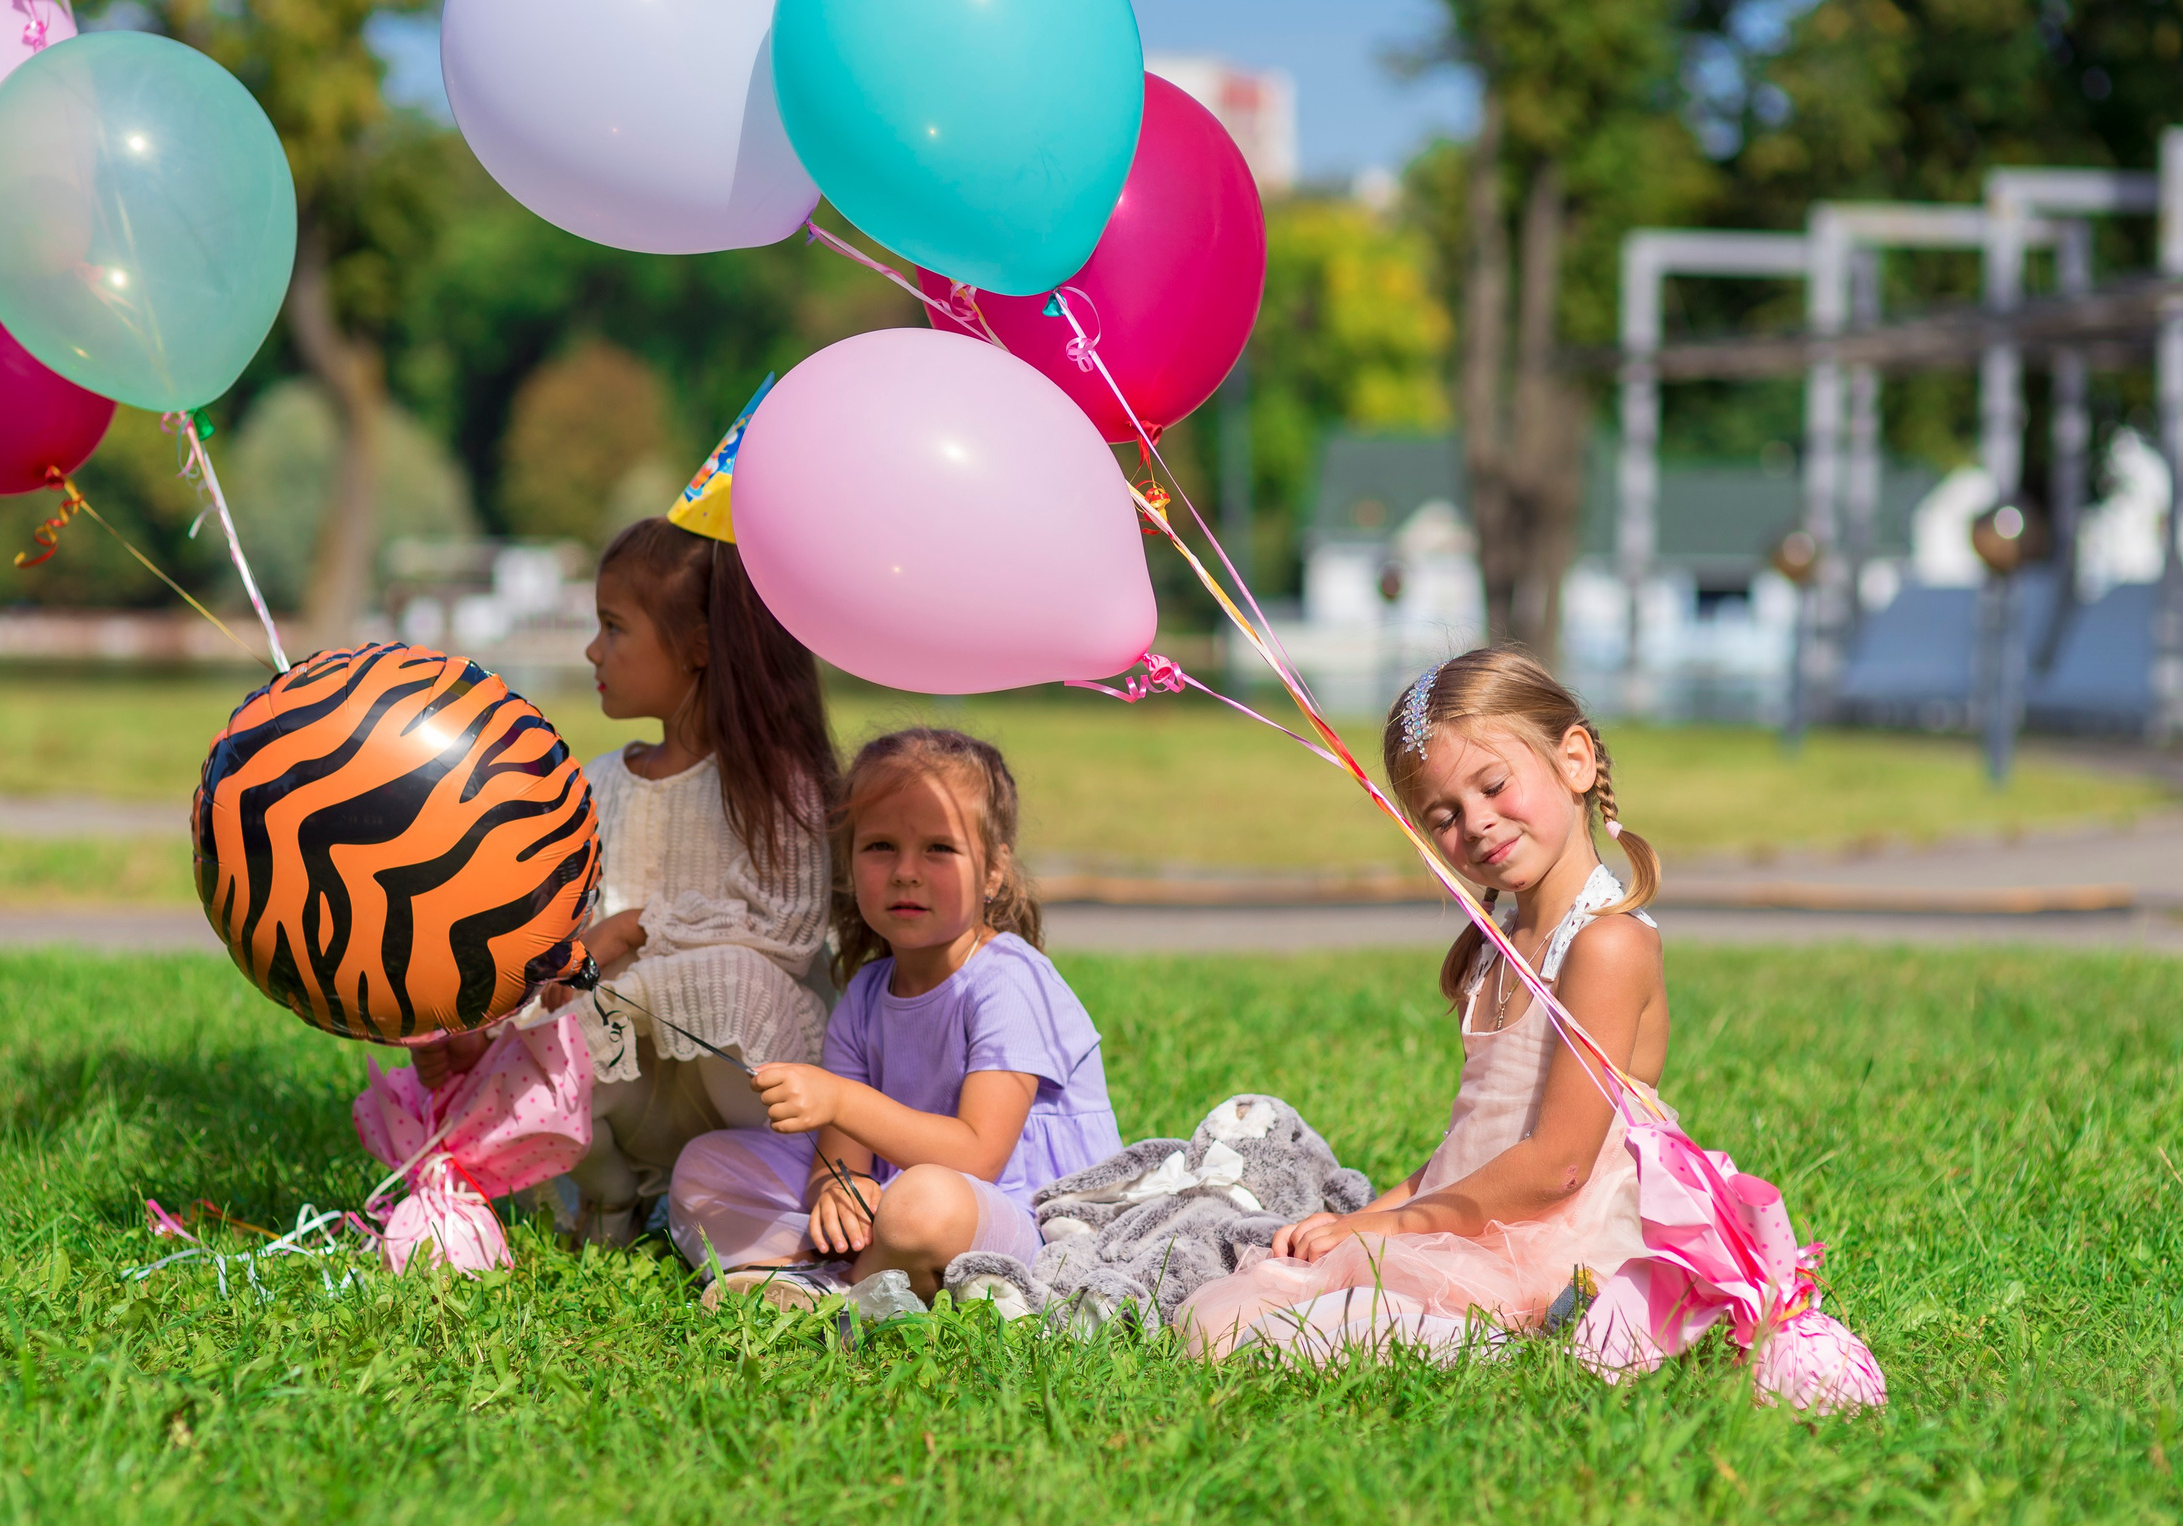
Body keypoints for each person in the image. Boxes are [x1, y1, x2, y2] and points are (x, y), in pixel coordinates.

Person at [1176, 647, 1668, 1365]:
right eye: (1444, 815)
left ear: (1575, 760)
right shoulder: (1499, 947)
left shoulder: (1606, 944)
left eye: (1495, 785)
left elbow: (1557, 1165)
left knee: (1290, 1331)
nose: (1477, 823)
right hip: (1472, 1222)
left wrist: (1392, 1230)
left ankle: (1531, 1339)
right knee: (1217, 1316)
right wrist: (1362, 1219)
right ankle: (1492, 1337)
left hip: (1553, 1243)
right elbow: (1468, 1149)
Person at [410, 515, 838, 1247]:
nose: (591, 648)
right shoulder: (596, 785)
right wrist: (486, 1026)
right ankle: (612, 1204)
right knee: (556, 1026)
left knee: (732, 980)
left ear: (700, 646)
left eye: (613, 626)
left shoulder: (774, 786)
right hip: (637, 1087)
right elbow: (555, 945)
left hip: (741, 1082)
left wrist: (638, 925)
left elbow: (787, 936)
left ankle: (788, 1203)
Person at [667, 728, 1122, 1309]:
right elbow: (842, 1154)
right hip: (899, 1193)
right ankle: (856, 1268)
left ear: (992, 872)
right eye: (880, 846)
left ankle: (835, 1289)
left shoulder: (1010, 981)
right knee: (704, 1168)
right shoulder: (867, 991)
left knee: (923, 1203)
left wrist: (841, 1102)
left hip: (1016, 1214)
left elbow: (978, 1156)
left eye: (938, 848)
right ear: (850, 861)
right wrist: (837, 1188)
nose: (906, 871)